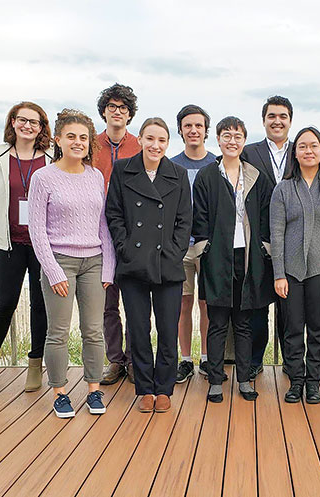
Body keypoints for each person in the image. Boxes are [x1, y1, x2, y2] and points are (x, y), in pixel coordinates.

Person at [28, 109, 116, 418]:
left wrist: (108, 267)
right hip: (60, 262)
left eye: (83, 138)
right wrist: (52, 271)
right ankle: (60, 392)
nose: (77, 142)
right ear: (58, 140)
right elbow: (36, 229)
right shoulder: (43, 177)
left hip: (93, 261)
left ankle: (93, 390)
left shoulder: (95, 176)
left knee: (94, 330)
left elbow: (103, 224)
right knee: (59, 332)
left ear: (89, 142)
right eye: (71, 137)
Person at [106, 117, 192, 414]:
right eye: (150, 138)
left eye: (162, 140)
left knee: (168, 329)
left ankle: (164, 388)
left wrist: (174, 251)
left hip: (167, 263)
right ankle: (145, 388)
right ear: (140, 139)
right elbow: (113, 213)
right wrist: (125, 248)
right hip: (133, 264)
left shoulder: (178, 174)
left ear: (168, 144)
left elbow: (185, 220)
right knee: (139, 329)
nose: (156, 145)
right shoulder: (122, 170)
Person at [192, 116, 274, 403]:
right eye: (226, 135)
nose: (232, 141)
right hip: (217, 257)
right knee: (217, 322)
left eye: (237, 136)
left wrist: (264, 246)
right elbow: (199, 216)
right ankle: (216, 379)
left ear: (243, 140)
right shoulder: (207, 175)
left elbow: (264, 215)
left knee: (243, 323)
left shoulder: (254, 176)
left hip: (248, 257)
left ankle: (245, 379)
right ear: (218, 139)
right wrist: (204, 247)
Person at [0, 101, 52, 392]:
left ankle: (35, 364)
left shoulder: (51, 156)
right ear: (12, 122)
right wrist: (0, 224)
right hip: (9, 243)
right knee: (4, 303)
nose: (28, 126)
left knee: (40, 305)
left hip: (43, 244)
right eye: (22, 120)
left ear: (42, 128)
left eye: (35, 122)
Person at [271, 127, 320, 404]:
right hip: (289, 272)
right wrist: (279, 274)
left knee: (318, 328)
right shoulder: (283, 189)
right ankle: (296, 379)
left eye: (313, 146)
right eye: (302, 146)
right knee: (292, 327)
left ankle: (313, 382)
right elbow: (276, 235)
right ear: (295, 153)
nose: (308, 151)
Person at [93, 84, 141, 386]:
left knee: (135, 302)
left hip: (133, 236)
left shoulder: (139, 145)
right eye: (112, 106)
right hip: (98, 236)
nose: (117, 111)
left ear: (130, 114)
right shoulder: (91, 145)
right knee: (107, 304)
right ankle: (115, 360)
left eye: (123, 107)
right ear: (104, 112)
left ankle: (137, 360)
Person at [241, 95, 293, 378]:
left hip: (292, 240)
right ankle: (255, 359)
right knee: (259, 305)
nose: (277, 121)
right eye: (272, 116)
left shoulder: (301, 150)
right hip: (259, 239)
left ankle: (290, 359)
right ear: (264, 121)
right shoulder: (249, 152)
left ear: (289, 121)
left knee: (290, 306)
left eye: (283, 116)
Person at [170, 104, 217, 382]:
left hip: (208, 245)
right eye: (188, 125)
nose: (193, 130)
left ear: (206, 131)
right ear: (180, 130)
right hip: (180, 247)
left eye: (198, 125)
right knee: (183, 304)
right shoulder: (172, 165)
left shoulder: (216, 163)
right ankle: (185, 359)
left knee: (207, 305)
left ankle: (207, 359)